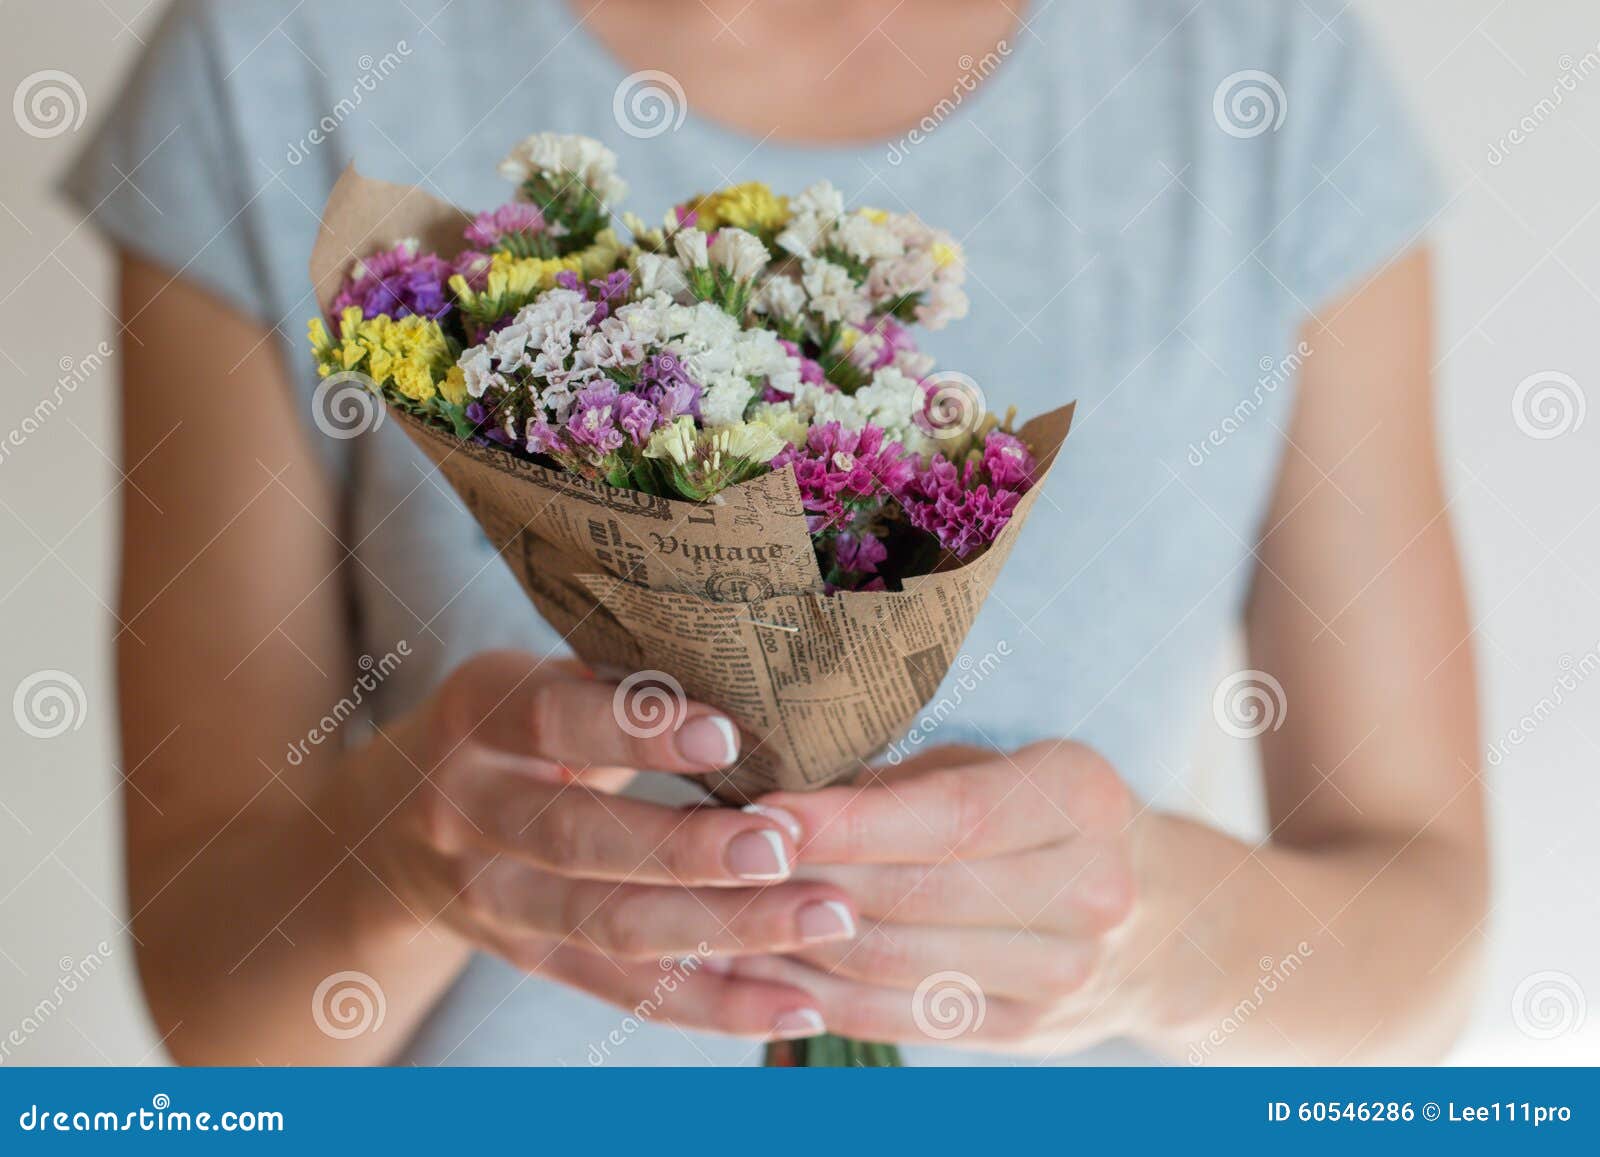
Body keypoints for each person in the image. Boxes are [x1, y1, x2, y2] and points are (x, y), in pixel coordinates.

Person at [64, 0, 1485, 1066]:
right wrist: (412, 852)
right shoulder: (286, 49)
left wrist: (1152, 935)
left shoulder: (1257, 65)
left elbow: (1421, 927)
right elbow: (217, 994)